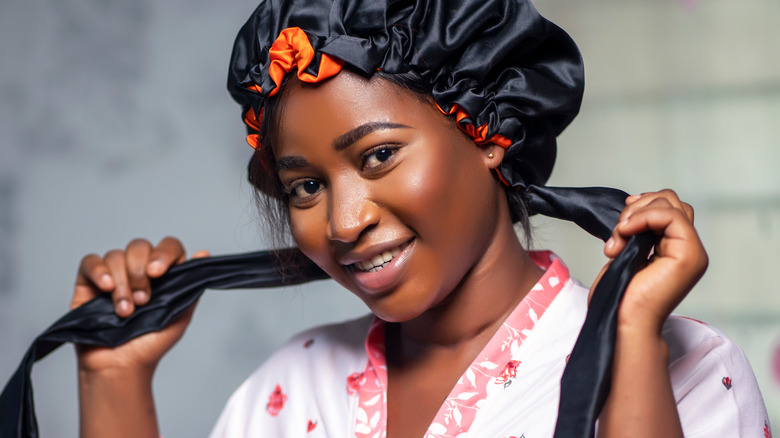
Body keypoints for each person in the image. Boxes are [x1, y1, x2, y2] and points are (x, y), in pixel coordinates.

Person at [69, 0, 770, 437]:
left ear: (488, 132)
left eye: (378, 156)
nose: (343, 221)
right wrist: (113, 382)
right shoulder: (292, 387)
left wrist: (634, 340)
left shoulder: (688, 370)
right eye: (306, 185)